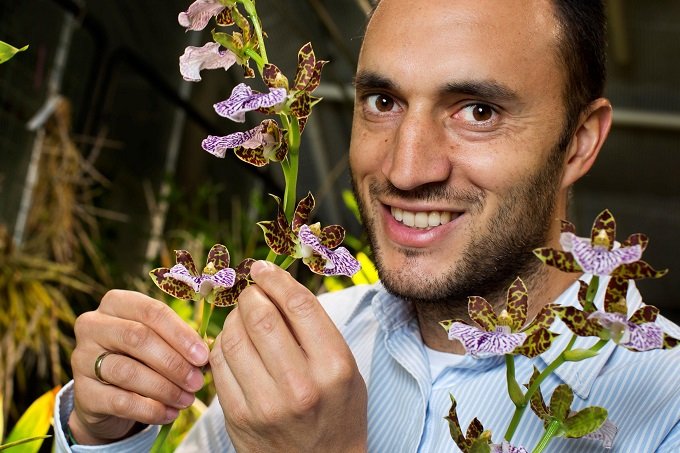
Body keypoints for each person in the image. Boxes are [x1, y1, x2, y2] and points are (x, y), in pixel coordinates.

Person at [54, 0, 680, 451]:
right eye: (383, 102)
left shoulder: (662, 404)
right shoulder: (306, 353)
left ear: (579, 141)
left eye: (479, 111)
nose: (406, 170)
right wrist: (105, 436)